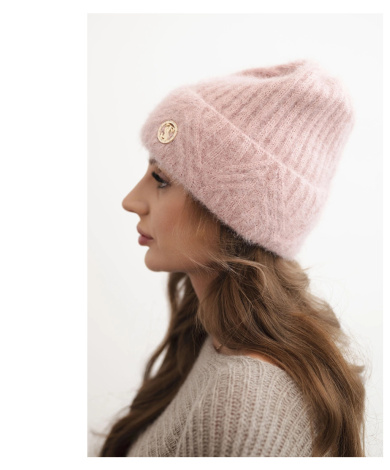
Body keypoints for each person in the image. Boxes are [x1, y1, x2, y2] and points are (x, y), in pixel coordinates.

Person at [98, 59, 367, 457]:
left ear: (236, 213)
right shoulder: (211, 337)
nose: (131, 201)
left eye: (161, 180)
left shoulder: (245, 404)